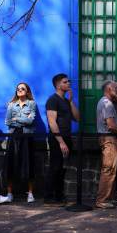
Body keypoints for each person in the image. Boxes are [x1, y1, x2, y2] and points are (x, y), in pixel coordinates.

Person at [45, 73, 80, 205]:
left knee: (62, 168)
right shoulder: (52, 100)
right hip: (57, 139)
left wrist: (71, 101)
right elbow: (52, 122)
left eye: (69, 82)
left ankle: (59, 196)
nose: (69, 84)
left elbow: (77, 118)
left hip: (67, 136)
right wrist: (61, 142)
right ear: (58, 85)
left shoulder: (66, 101)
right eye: (65, 82)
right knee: (55, 167)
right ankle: (49, 197)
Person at [4, 82, 38, 203]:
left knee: (28, 163)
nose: (19, 90)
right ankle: (9, 193)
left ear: (27, 91)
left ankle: (30, 193)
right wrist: (24, 119)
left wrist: (17, 118)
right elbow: (7, 122)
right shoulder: (11, 105)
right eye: (18, 89)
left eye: (22, 88)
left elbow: (31, 121)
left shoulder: (32, 104)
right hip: (13, 136)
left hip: (27, 136)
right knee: (11, 163)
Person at [95, 81, 117, 209]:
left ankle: (107, 198)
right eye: (115, 88)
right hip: (109, 139)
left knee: (109, 169)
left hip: (105, 138)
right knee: (109, 169)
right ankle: (102, 200)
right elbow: (111, 125)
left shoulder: (104, 102)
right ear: (109, 88)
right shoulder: (107, 103)